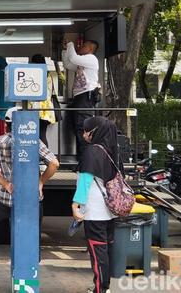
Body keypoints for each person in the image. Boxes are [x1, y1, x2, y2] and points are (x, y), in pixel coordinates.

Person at [0, 107, 59, 248]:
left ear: (6, 124)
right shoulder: (34, 142)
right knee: (33, 229)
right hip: (31, 197)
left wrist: (5, 183)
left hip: (8, 196)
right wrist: (40, 182)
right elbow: (54, 163)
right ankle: (33, 252)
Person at [71, 116, 118, 293]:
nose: (84, 134)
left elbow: (85, 180)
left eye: (86, 130)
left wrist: (76, 205)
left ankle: (100, 289)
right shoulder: (112, 150)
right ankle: (105, 287)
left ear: (95, 131)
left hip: (95, 210)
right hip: (110, 208)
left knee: (97, 251)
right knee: (106, 249)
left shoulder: (92, 151)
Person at [62, 40, 100, 160]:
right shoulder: (83, 63)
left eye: (83, 46)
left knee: (82, 128)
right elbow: (68, 64)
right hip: (80, 97)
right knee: (78, 128)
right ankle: (82, 159)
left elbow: (73, 58)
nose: (80, 47)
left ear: (90, 49)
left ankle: (85, 160)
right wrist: (65, 50)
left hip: (86, 96)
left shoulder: (91, 58)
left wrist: (70, 44)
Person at [30, 54, 57, 146]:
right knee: (42, 134)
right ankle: (44, 157)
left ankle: (40, 157)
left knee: (37, 134)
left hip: (38, 108)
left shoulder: (37, 74)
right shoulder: (47, 73)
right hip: (46, 109)